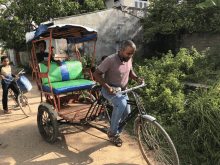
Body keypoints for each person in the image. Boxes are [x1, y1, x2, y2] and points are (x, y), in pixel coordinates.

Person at [94, 40, 143, 147]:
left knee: (127, 114)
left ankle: (116, 132)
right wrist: (107, 87)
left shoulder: (128, 59)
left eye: (132, 54)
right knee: (121, 105)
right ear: (121, 50)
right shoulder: (110, 60)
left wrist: (137, 78)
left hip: (123, 91)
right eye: (128, 53)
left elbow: (130, 72)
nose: (130, 56)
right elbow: (96, 74)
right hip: (109, 90)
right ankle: (112, 133)